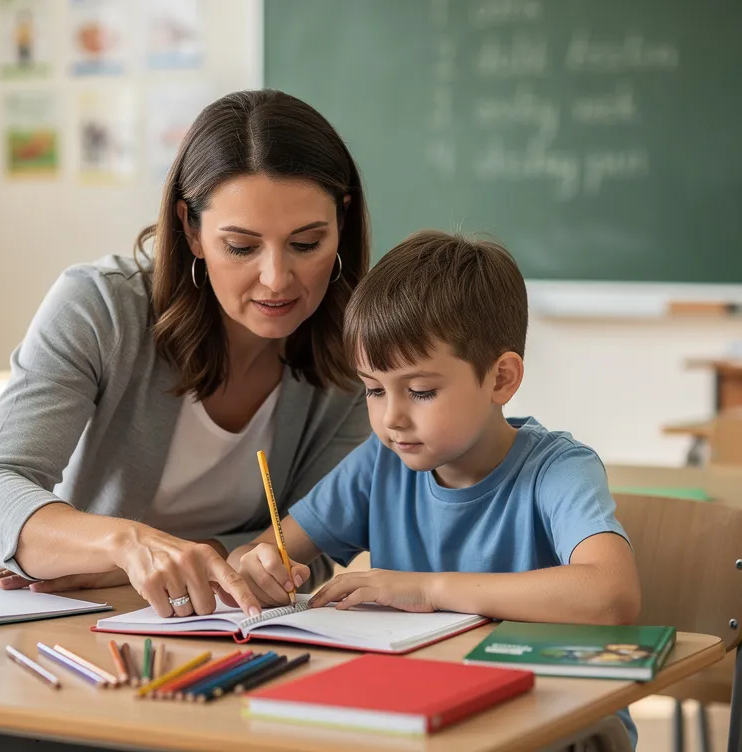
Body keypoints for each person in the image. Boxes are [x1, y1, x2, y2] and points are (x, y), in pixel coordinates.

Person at [0, 90, 372, 619]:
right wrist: (126, 546)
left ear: (342, 224)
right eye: (241, 246)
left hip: (133, 618)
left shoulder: (356, 356)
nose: (277, 278)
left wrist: (198, 559)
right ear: (191, 228)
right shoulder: (102, 306)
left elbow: (308, 542)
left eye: (306, 244)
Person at [227, 230, 642, 744]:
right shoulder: (379, 464)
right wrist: (257, 567)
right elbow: (263, 553)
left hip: (554, 721)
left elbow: (611, 596)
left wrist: (426, 589)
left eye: (421, 390)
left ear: (501, 379)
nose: (392, 418)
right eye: (374, 390)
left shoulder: (557, 470)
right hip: (418, 714)